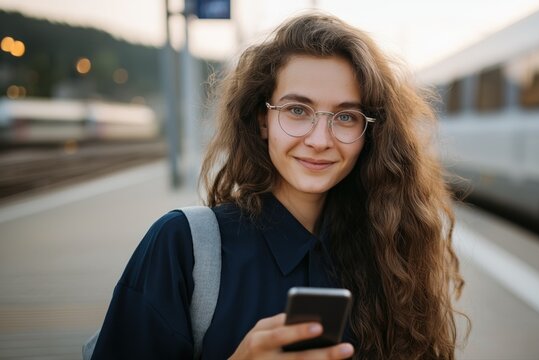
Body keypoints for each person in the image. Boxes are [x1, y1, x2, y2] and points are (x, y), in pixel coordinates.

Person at [90, 11, 466, 360]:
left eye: (346, 116)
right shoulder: (182, 247)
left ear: (370, 133)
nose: (320, 139)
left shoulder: (394, 252)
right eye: (297, 110)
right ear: (262, 120)